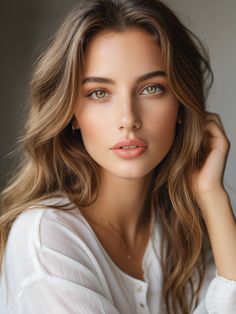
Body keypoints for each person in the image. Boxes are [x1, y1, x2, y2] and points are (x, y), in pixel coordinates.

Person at [0, 0, 235, 313]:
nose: (128, 118)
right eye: (99, 93)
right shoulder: (46, 239)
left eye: (151, 88)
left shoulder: (187, 231)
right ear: (71, 112)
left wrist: (213, 198)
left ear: (181, 104)